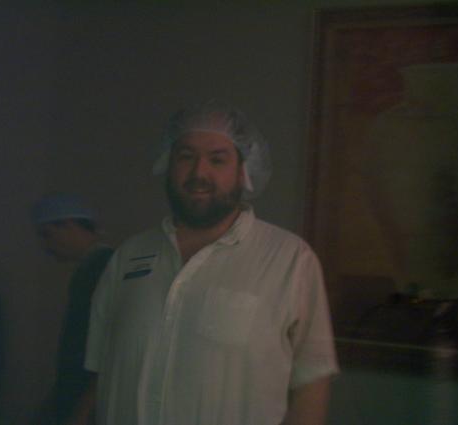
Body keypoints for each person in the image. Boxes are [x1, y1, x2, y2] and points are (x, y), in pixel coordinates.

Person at [78, 100, 338, 425]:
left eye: (217, 159)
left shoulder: (291, 260)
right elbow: (100, 371)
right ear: (167, 164)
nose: (199, 172)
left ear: (243, 171)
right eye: (186, 156)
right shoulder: (128, 256)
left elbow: (311, 384)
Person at [31, 194, 114, 425]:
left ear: (69, 224)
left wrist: (81, 413)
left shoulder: (103, 269)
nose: (45, 246)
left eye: (47, 235)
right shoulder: (90, 270)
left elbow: (109, 350)